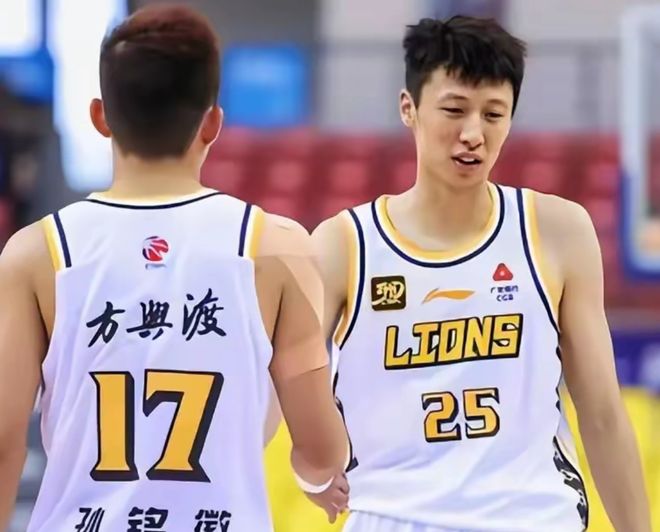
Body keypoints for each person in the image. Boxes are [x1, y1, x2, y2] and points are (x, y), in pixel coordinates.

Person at [0, 5, 349, 531]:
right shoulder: (278, 248)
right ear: (213, 123)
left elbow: (4, 442)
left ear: (99, 116)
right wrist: (314, 474)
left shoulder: (36, 253)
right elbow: (320, 450)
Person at [311, 15, 651, 532]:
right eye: (454, 110)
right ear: (409, 108)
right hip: (393, 516)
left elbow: (602, 413)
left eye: (494, 114)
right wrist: (309, 461)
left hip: (532, 517)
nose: (473, 134)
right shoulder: (344, 244)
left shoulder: (557, 230)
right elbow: (281, 376)